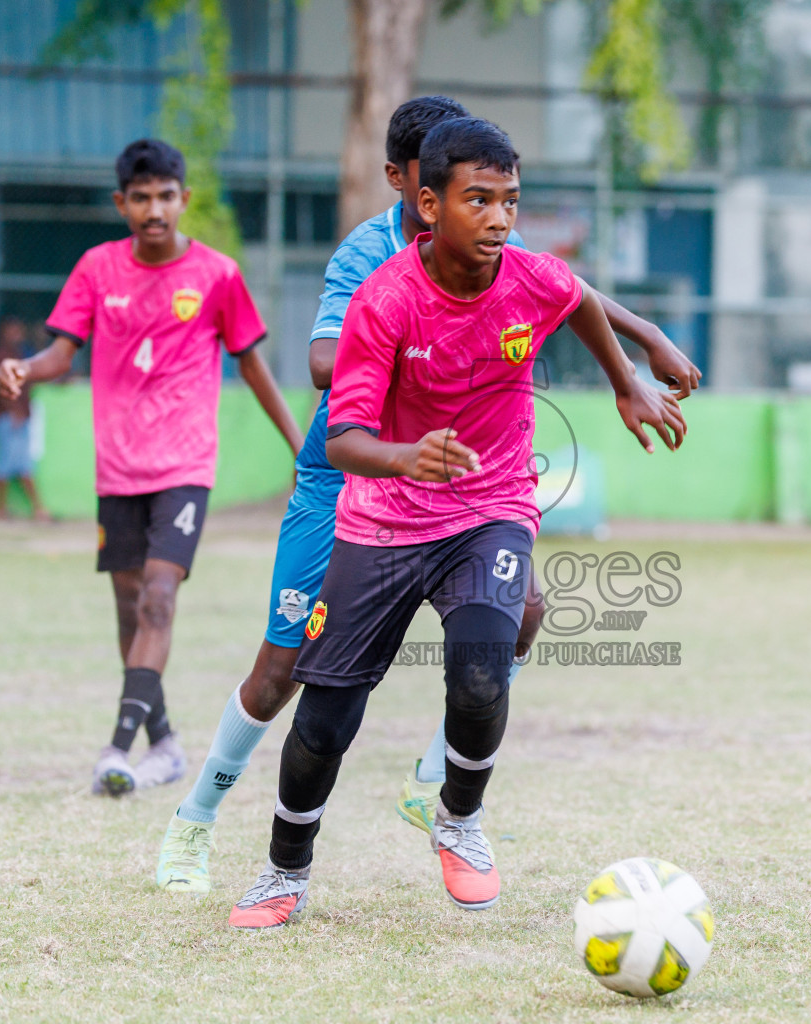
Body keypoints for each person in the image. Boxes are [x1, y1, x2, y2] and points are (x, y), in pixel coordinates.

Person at [153, 96, 700, 895]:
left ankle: (438, 782)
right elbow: (322, 365)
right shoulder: (370, 259)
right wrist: (408, 349)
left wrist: (645, 340)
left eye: (503, 199)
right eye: (459, 190)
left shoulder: (489, 237)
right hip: (350, 475)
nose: (493, 215)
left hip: (461, 484)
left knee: (521, 612)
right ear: (409, 185)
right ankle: (195, 820)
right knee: (283, 671)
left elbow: (563, 288)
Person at [0, 138, 304, 797]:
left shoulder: (217, 275)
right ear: (122, 203)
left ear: (183, 199)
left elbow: (252, 365)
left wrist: (299, 445)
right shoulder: (97, 269)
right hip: (118, 468)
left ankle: (117, 747)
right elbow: (60, 353)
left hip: (184, 466)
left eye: (166, 196)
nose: (155, 209)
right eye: (141, 198)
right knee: (129, 607)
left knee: (159, 597)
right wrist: (25, 369)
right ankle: (164, 744)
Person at [0, 317, 50, 521]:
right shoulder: (0, 357)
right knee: (9, 464)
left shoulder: (21, 355)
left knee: (21, 464)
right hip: (9, 418)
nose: (18, 335)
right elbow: (0, 387)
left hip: (21, 416)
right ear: (3, 333)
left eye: (19, 331)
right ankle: (19, 509)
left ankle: (31, 509)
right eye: (13, 331)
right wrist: (14, 411)